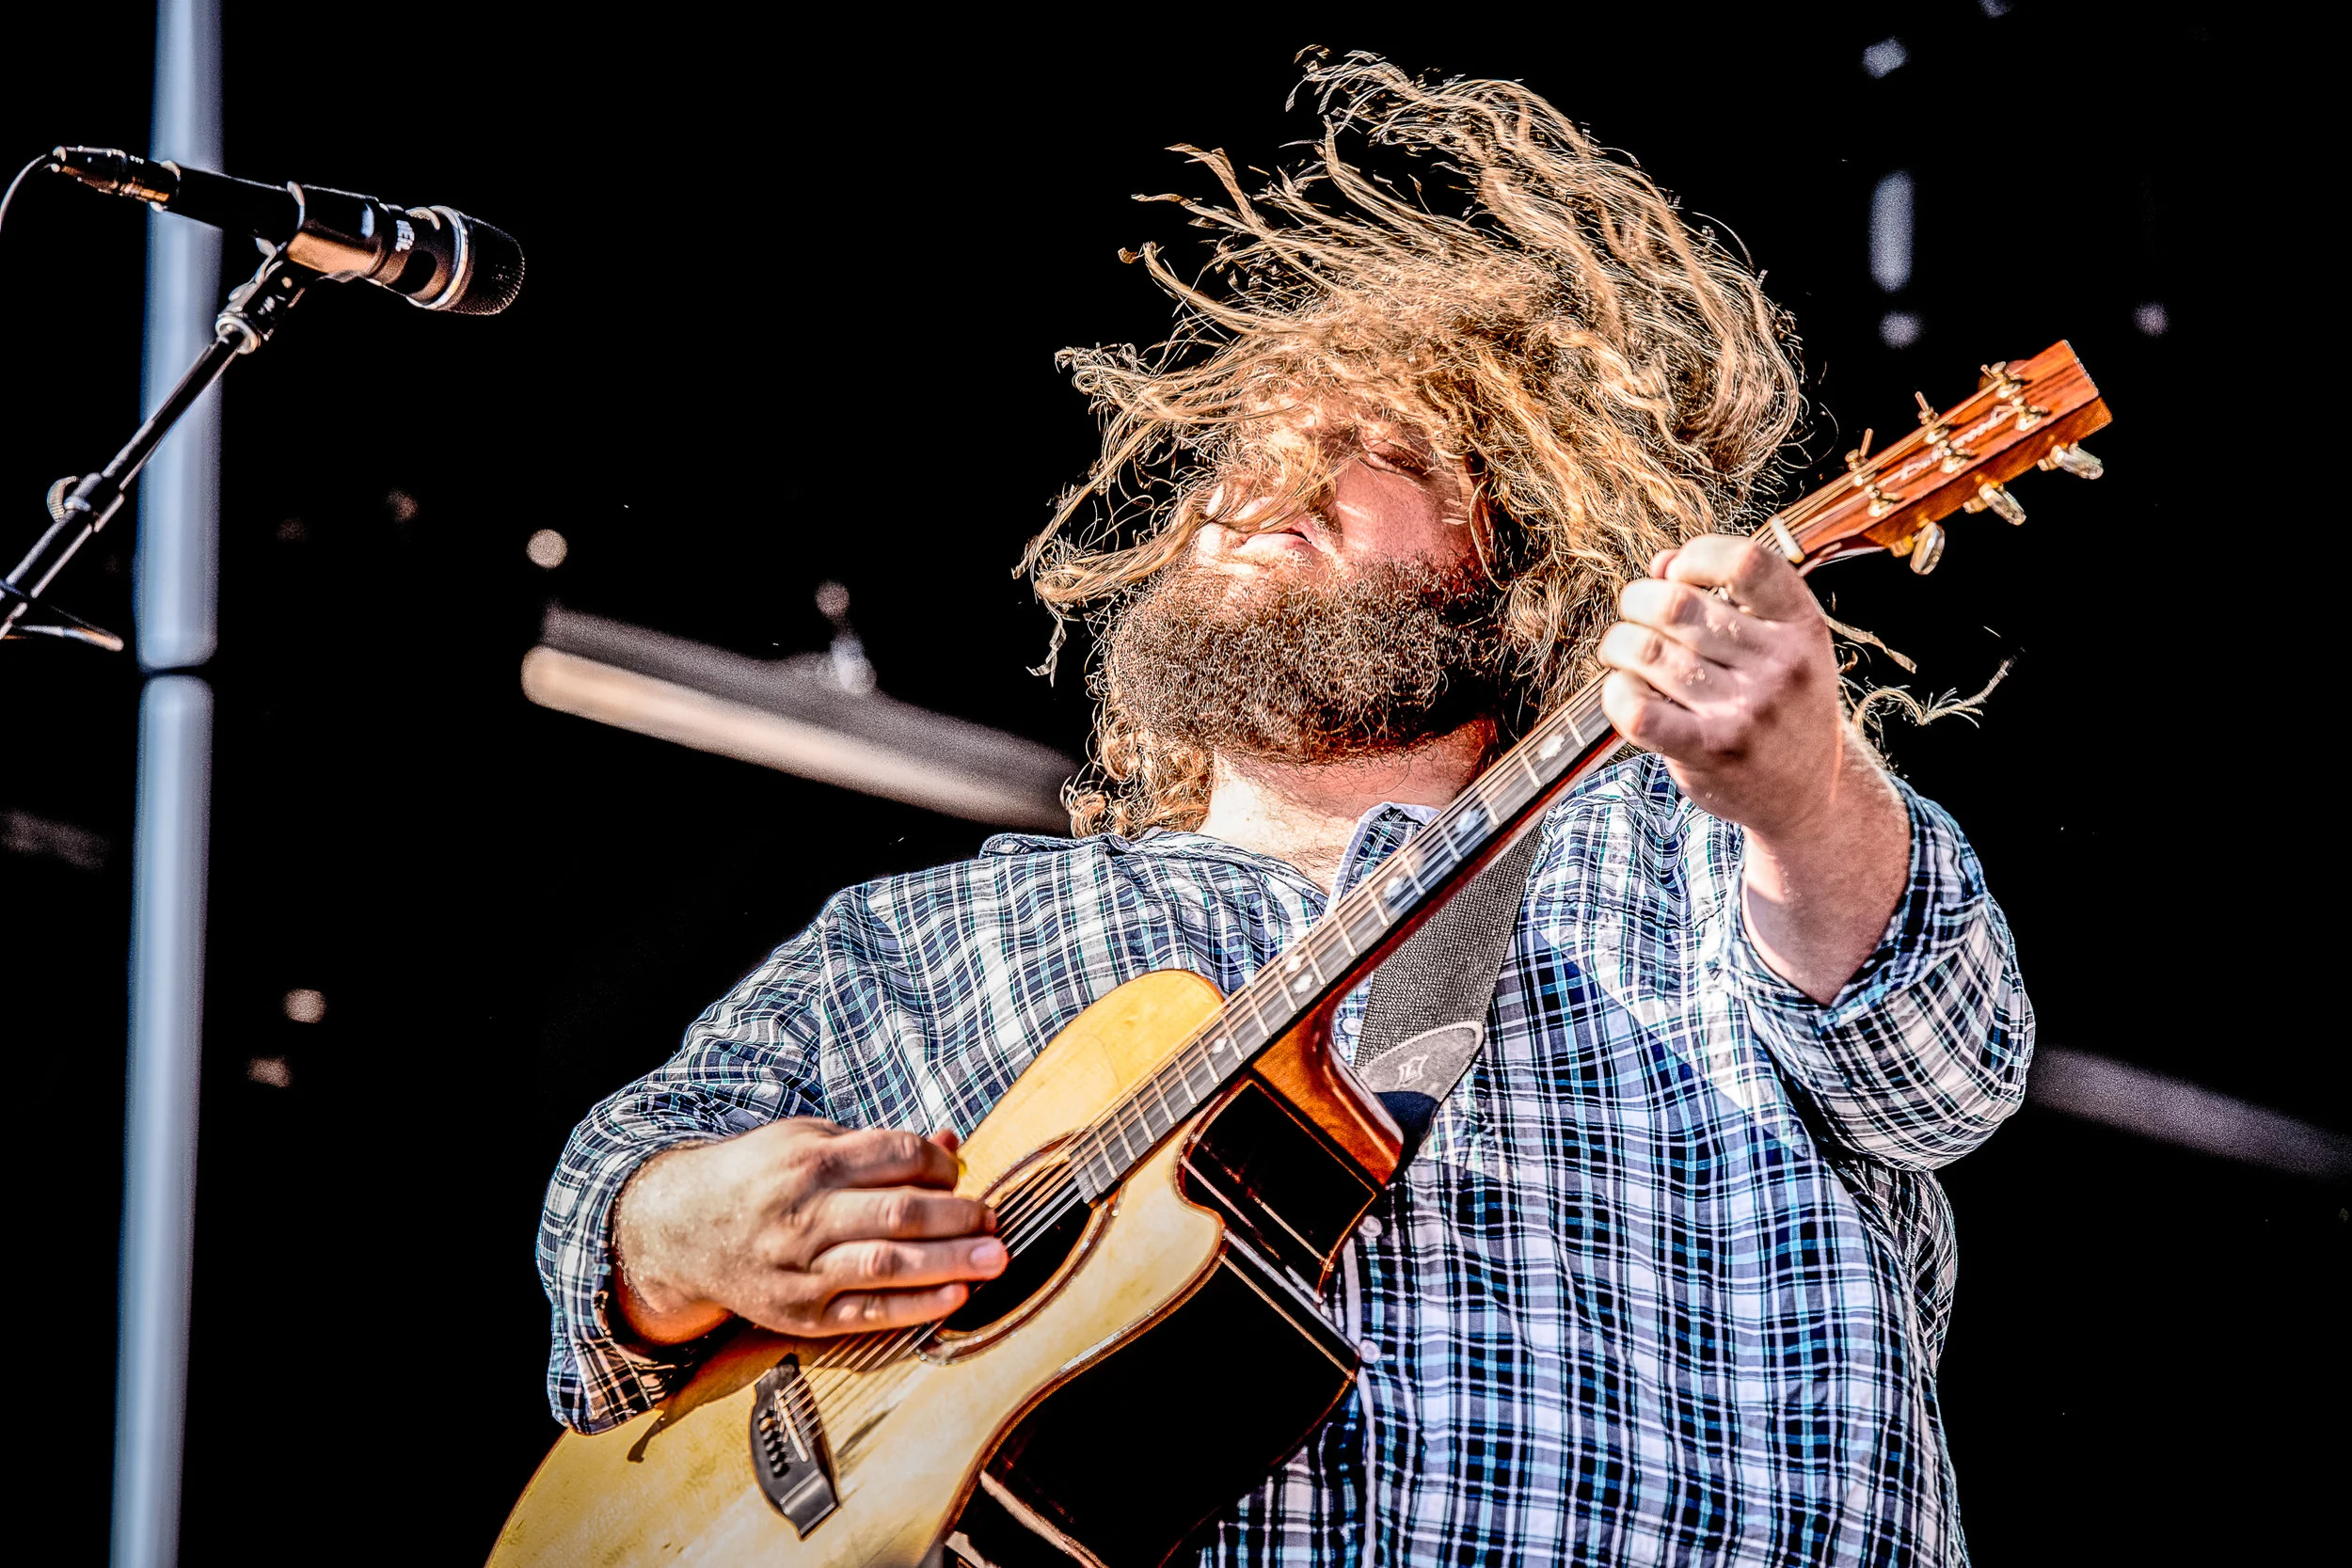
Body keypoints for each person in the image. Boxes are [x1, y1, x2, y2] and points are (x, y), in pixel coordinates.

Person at [535, 55, 2029, 1566]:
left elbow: (1943, 1071)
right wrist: (680, 1232)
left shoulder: (1689, 873)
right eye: (1251, 452)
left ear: (1532, 560)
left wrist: (1805, 784)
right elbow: (610, 1225)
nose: (1267, 487)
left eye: (1380, 454)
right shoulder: (932, 939)